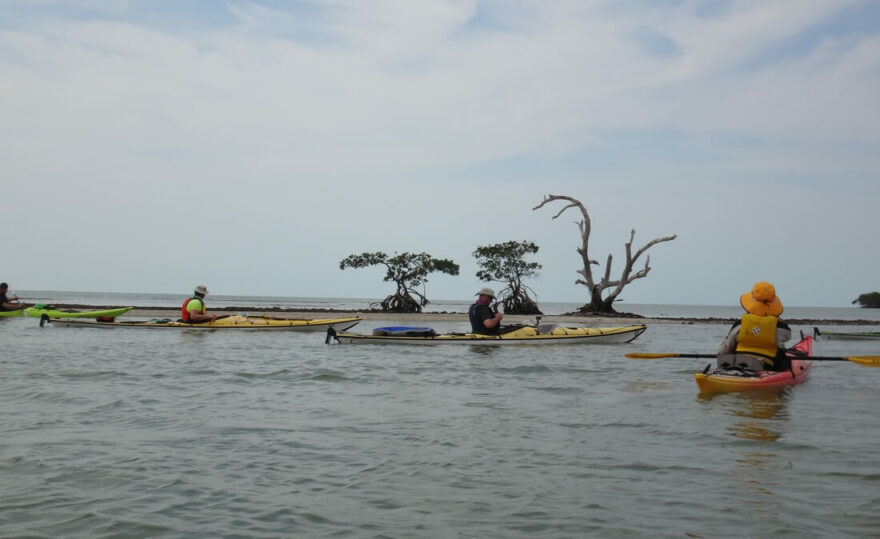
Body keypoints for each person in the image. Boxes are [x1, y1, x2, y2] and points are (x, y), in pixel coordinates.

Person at [717, 281, 792, 372]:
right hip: (769, 367)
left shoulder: (739, 325)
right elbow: (787, 337)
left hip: (740, 364)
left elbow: (723, 351)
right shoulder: (782, 328)